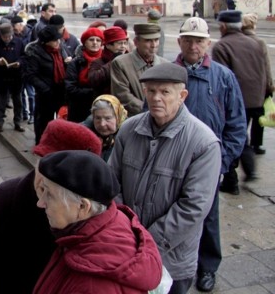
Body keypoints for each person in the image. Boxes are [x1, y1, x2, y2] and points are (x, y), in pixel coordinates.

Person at [109, 63, 222, 294]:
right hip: (126, 246)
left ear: (182, 96)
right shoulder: (129, 129)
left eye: (164, 92)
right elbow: (112, 183)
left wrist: (147, 243)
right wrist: (125, 232)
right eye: (151, 91)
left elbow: (193, 207)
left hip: (173, 259)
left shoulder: (203, 143)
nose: (156, 98)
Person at [0, 119, 103, 294]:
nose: (43, 177)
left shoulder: (92, 218)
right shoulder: (5, 197)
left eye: (57, 172)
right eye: (42, 162)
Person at [174, 17, 247, 292]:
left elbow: (237, 124)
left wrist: (222, 162)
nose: (193, 45)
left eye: (199, 40)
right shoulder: (168, 72)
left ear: (208, 43)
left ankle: (207, 267)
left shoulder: (223, 76)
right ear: (179, 41)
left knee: (208, 216)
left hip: (208, 163)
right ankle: (175, 263)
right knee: (172, 212)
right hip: (173, 160)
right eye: (188, 40)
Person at [34, 150, 163, 294]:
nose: (40, 203)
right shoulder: (101, 226)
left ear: (83, 207)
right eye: (42, 190)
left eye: (50, 195)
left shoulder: (92, 287)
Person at [212, 10, 269, 193]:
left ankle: (231, 181)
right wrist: (267, 92)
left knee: (234, 138)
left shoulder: (222, 46)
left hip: (238, 102)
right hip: (258, 98)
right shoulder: (257, 43)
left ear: (223, 26)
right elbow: (266, 70)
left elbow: (223, 80)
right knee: (243, 138)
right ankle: (249, 171)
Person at [110, 23, 168, 116]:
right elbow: (123, 96)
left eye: (156, 40)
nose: (153, 45)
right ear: (136, 42)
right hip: (134, 120)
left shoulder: (165, 65)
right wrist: (151, 111)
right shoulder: (121, 63)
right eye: (148, 41)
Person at [24, 26, 67, 144]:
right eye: (55, 40)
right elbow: (31, 75)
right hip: (45, 94)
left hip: (60, 92)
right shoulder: (35, 53)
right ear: (45, 42)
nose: (58, 42)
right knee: (43, 122)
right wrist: (45, 89)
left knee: (62, 119)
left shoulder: (60, 49)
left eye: (58, 39)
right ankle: (42, 144)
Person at [241, 13, 274, 154]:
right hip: (258, 88)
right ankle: (256, 145)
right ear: (254, 26)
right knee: (258, 118)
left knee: (243, 119)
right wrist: (270, 86)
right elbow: (266, 67)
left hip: (242, 88)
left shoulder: (237, 42)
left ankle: (243, 144)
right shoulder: (259, 42)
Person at [0, 23, 25, 132]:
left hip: (16, 76)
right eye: (5, 37)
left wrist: (19, 63)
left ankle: (18, 122)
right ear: (0, 35)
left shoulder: (18, 42)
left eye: (9, 36)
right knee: (1, 101)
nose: (7, 39)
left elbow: (24, 56)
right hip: (1, 77)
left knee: (18, 101)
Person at [65, 27, 104, 122]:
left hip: (102, 109)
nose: (95, 42)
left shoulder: (106, 61)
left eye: (98, 40)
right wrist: (93, 92)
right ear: (84, 42)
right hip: (79, 109)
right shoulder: (75, 63)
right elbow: (70, 88)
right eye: (91, 40)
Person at [83, 94, 127, 161]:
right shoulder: (84, 134)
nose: (102, 124)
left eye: (108, 118)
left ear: (118, 117)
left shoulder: (128, 137)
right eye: (98, 118)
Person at [88, 26, 128, 95]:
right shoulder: (98, 63)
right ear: (108, 45)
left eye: (125, 43)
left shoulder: (128, 59)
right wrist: (114, 61)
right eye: (120, 43)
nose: (123, 46)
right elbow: (94, 80)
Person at [13, 15, 35, 123]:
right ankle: (24, 114)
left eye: (15, 26)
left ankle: (32, 114)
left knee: (31, 94)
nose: (14, 29)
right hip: (19, 70)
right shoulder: (15, 36)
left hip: (29, 69)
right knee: (21, 93)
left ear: (21, 25)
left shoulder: (31, 34)